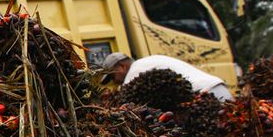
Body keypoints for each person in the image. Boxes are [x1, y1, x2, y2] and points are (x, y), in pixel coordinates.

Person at [99, 52, 234, 101]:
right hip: (217, 88)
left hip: (209, 95)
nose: (114, 82)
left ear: (122, 67)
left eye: (112, 77)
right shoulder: (147, 63)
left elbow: (125, 102)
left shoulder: (136, 71)